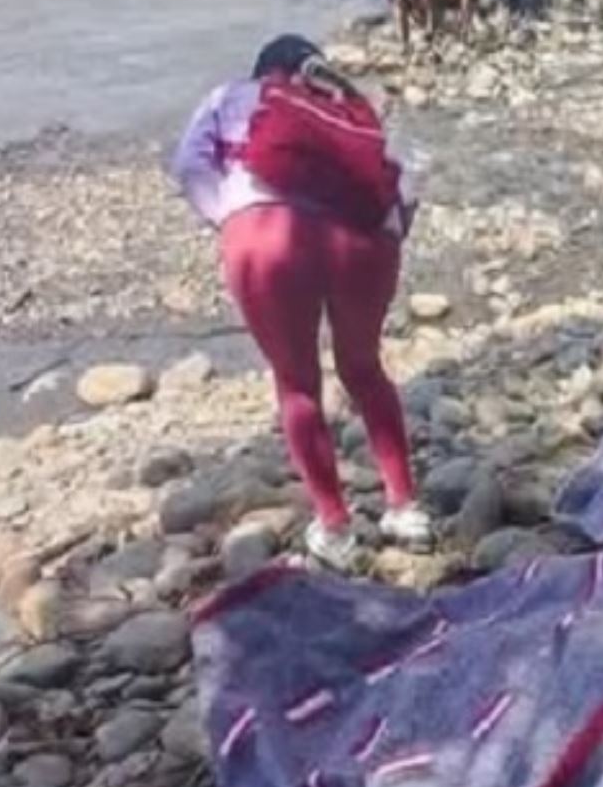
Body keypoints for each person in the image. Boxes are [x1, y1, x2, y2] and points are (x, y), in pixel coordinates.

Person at [169, 36, 433, 571]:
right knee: (364, 369)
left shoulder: (230, 96)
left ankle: (335, 528)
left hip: (266, 238)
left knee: (297, 384)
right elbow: (402, 189)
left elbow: (189, 164)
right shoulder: (349, 109)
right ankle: (406, 508)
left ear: (264, 71)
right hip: (363, 244)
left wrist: (232, 216)